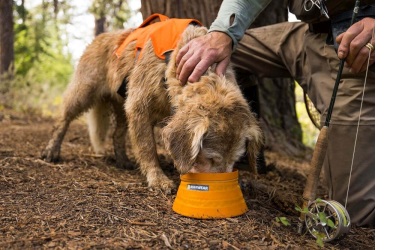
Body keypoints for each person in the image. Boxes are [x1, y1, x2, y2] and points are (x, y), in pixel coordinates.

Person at [175, 0, 375, 228]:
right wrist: (223, 32)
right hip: (307, 33)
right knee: (193, 56)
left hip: (356, 49)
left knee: (354, 211)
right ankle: (239, 156)